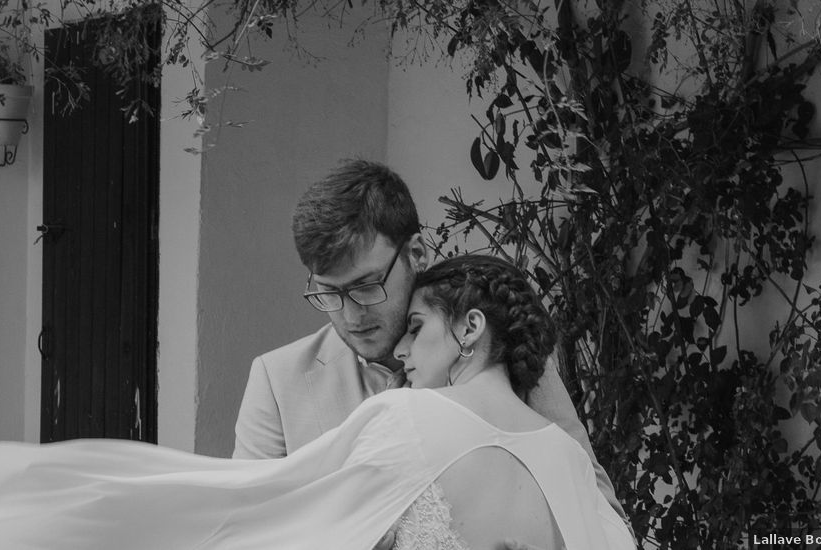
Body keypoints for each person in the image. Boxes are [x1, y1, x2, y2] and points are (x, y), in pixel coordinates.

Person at [0, 255, 634, 550]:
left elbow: (257, 505)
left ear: (472, 328)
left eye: (418, 330)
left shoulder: (414, 420)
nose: (404, 353)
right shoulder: (577, 472)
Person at [233, 160, 625, 521]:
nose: (351, 316)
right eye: (329, 293)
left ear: (415, 253)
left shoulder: (500, 352)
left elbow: (600, 510)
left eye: (367, 286)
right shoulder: (276, 379)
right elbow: (245, 532)